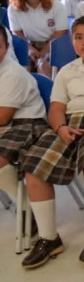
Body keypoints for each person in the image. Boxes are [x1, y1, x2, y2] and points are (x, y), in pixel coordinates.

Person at [19, 15, 84, 269]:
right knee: (34, 167)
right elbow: (56, 108)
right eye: (78, 37)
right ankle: (48, 237)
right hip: (70, 123)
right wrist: (61, 127)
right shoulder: (67, 71)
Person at [0, 28, 47, 200]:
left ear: (6, 47)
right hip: (9, 124)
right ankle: (24, 205)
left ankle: (26, 207)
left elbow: (3, 117)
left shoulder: (12, 73)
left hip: (28, 124)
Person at [6, 0, 68, 76]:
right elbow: (17, 33)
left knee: (43, 66)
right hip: (29, 45)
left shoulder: (55, 4)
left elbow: (61, 31)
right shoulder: (13, 8)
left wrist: (44, 51)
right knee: (22, 69)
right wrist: (30, 49)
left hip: (53, 44)